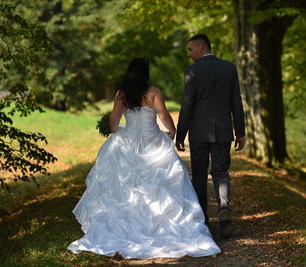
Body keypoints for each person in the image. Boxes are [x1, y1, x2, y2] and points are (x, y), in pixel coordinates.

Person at [67, 58, 220, 259]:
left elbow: (114, 124)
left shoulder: (121, 94)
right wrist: (173, 132)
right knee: (164, 183)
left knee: (123, 184)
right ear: (145, 74)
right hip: (153, 142)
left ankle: (123, 226)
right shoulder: (154, 92)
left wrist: (112, 127)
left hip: (127, 142)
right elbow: (163, 115)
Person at [176, 34, 246, 239]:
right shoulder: (229, 68)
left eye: (190, 50)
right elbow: (237, 103)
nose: (189, 55)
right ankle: (225, 215)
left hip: (198, 132)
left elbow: (188, 105)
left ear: (200, 48)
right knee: (221, 173)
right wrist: (239, 132)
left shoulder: (191, 72)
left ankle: (202, 220)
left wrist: (181, 134)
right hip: (223, 131)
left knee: (199, 173)